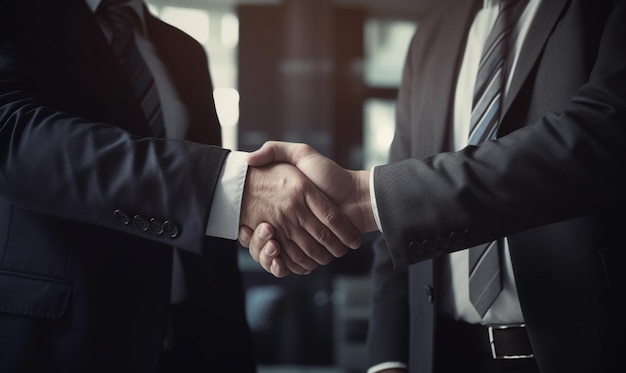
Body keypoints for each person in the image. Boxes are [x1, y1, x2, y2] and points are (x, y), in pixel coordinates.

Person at [240, 0, 626, 372]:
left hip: (587, 351)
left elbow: (601, 137)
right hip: (442, 355)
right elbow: (398, 225)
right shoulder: (432, 34)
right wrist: (388, 358)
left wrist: (365, 196)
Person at [0, 0, 361, 371]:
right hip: (67, 338)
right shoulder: (16, 15)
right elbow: (12, 135)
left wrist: (255, 222)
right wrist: (236, 189)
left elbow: (209, 224)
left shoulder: (184, 50)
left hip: (198, 339)